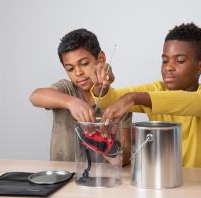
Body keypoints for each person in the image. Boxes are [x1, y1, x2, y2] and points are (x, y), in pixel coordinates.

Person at [90, 23, 201, 169]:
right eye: (165, 60)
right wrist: (101, 87)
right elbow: (113, 98)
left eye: (180, 60)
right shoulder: (157, 90)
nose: (168, 67)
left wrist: (133, 98)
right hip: (163, 183)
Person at [30, 28, 131, 165]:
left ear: (100, 58)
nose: (78, 72)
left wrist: (110, 146)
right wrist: (71, 103)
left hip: (102, 180)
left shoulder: (119, 103)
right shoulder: (66, 90)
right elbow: (36, 96)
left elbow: (125, 157)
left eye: (84, 63)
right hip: (63, 177)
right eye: (70, 68)